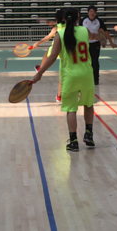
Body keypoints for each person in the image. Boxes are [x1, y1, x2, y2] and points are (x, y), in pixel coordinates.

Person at [32, 8, 97, 152]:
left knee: (71, 109)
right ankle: (89, 134)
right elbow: (95, 36)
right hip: (86, 75)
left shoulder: (60, 35)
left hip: (69, 77)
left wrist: (40, 73)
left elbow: (52, 57)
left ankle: (73, 141)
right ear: (77, 18)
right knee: (88, 104)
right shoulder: (84, 31)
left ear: (64, 20)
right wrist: (103, 37)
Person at [33, 9, 65, 103]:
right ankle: (59, 97)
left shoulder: (56, 28)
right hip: (66, 51)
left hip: (56, 49)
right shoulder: (70, 27)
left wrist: (38, 43)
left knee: (48, 52)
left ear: (57, 19)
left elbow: (47, 37)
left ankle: (41, 68)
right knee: (62, 76)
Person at [82, 5, 115, 85]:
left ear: (96, 13)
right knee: (86, 62)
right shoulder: (83, 20)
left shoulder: (99, 21)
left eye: (94, 12)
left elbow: (105, 32)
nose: (92, 13)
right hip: (86, 44)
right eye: (91, 11)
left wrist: (111, 42)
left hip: (95, 44)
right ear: (88, 12)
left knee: (95, 61)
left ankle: (96, 79)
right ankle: (86, 78)